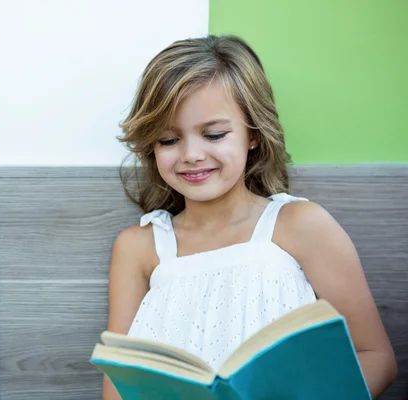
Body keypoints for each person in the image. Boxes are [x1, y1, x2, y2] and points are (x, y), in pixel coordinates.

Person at [103, 35, 397, 399]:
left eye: (213, 134)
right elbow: (119, 384)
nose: (192, 154)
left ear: (253, 135)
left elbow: (375, 355)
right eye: (168, 140)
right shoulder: (138, 247)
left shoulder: (300, 225)